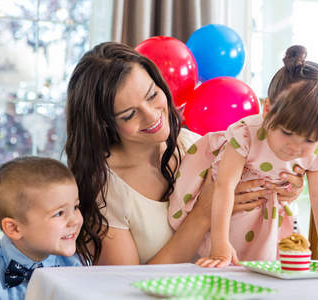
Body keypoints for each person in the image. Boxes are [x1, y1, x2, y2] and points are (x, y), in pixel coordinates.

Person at [64, 41, 305, 266]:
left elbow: (254, 203)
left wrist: (283, 186)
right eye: (129, 114)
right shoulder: (104, 189)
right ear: (103, 123)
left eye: (152, 95)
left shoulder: (197, 146)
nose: (151, 116)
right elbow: (128, 286)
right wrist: (203, 213)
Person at [169, 45, 318, 268]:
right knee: (217, 270)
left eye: (309, 139)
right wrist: (219, 243)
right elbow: (224, 187)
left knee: (262, 274)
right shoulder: (247, 134)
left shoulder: (316, 150)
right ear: (267, 109)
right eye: (287, 132)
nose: (294, 148)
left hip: (267, 224)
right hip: (226, 219)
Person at [0, 156, 85, 300]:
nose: (75, 220)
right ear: (14, 228)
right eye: (59, 213)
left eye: (75, 207)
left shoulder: (75, 263)